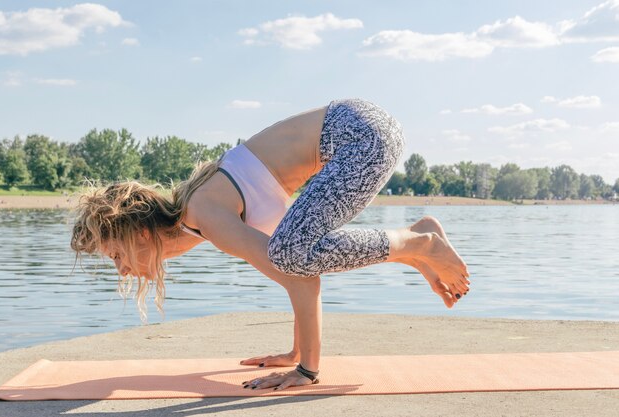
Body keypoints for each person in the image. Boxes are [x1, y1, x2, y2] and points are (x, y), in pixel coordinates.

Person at [70, 98, 470, 392]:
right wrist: (295, 352)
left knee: (291, 253)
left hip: (361, 136)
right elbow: (303, 274)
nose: (121, 269)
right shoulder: (205, 217)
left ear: (140, 234)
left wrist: (306, 372)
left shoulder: (204, 214)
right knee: (294, 250)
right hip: (364, 131)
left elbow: (300, 277)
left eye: (117, 256)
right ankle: (417, 242)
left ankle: (419, 242)